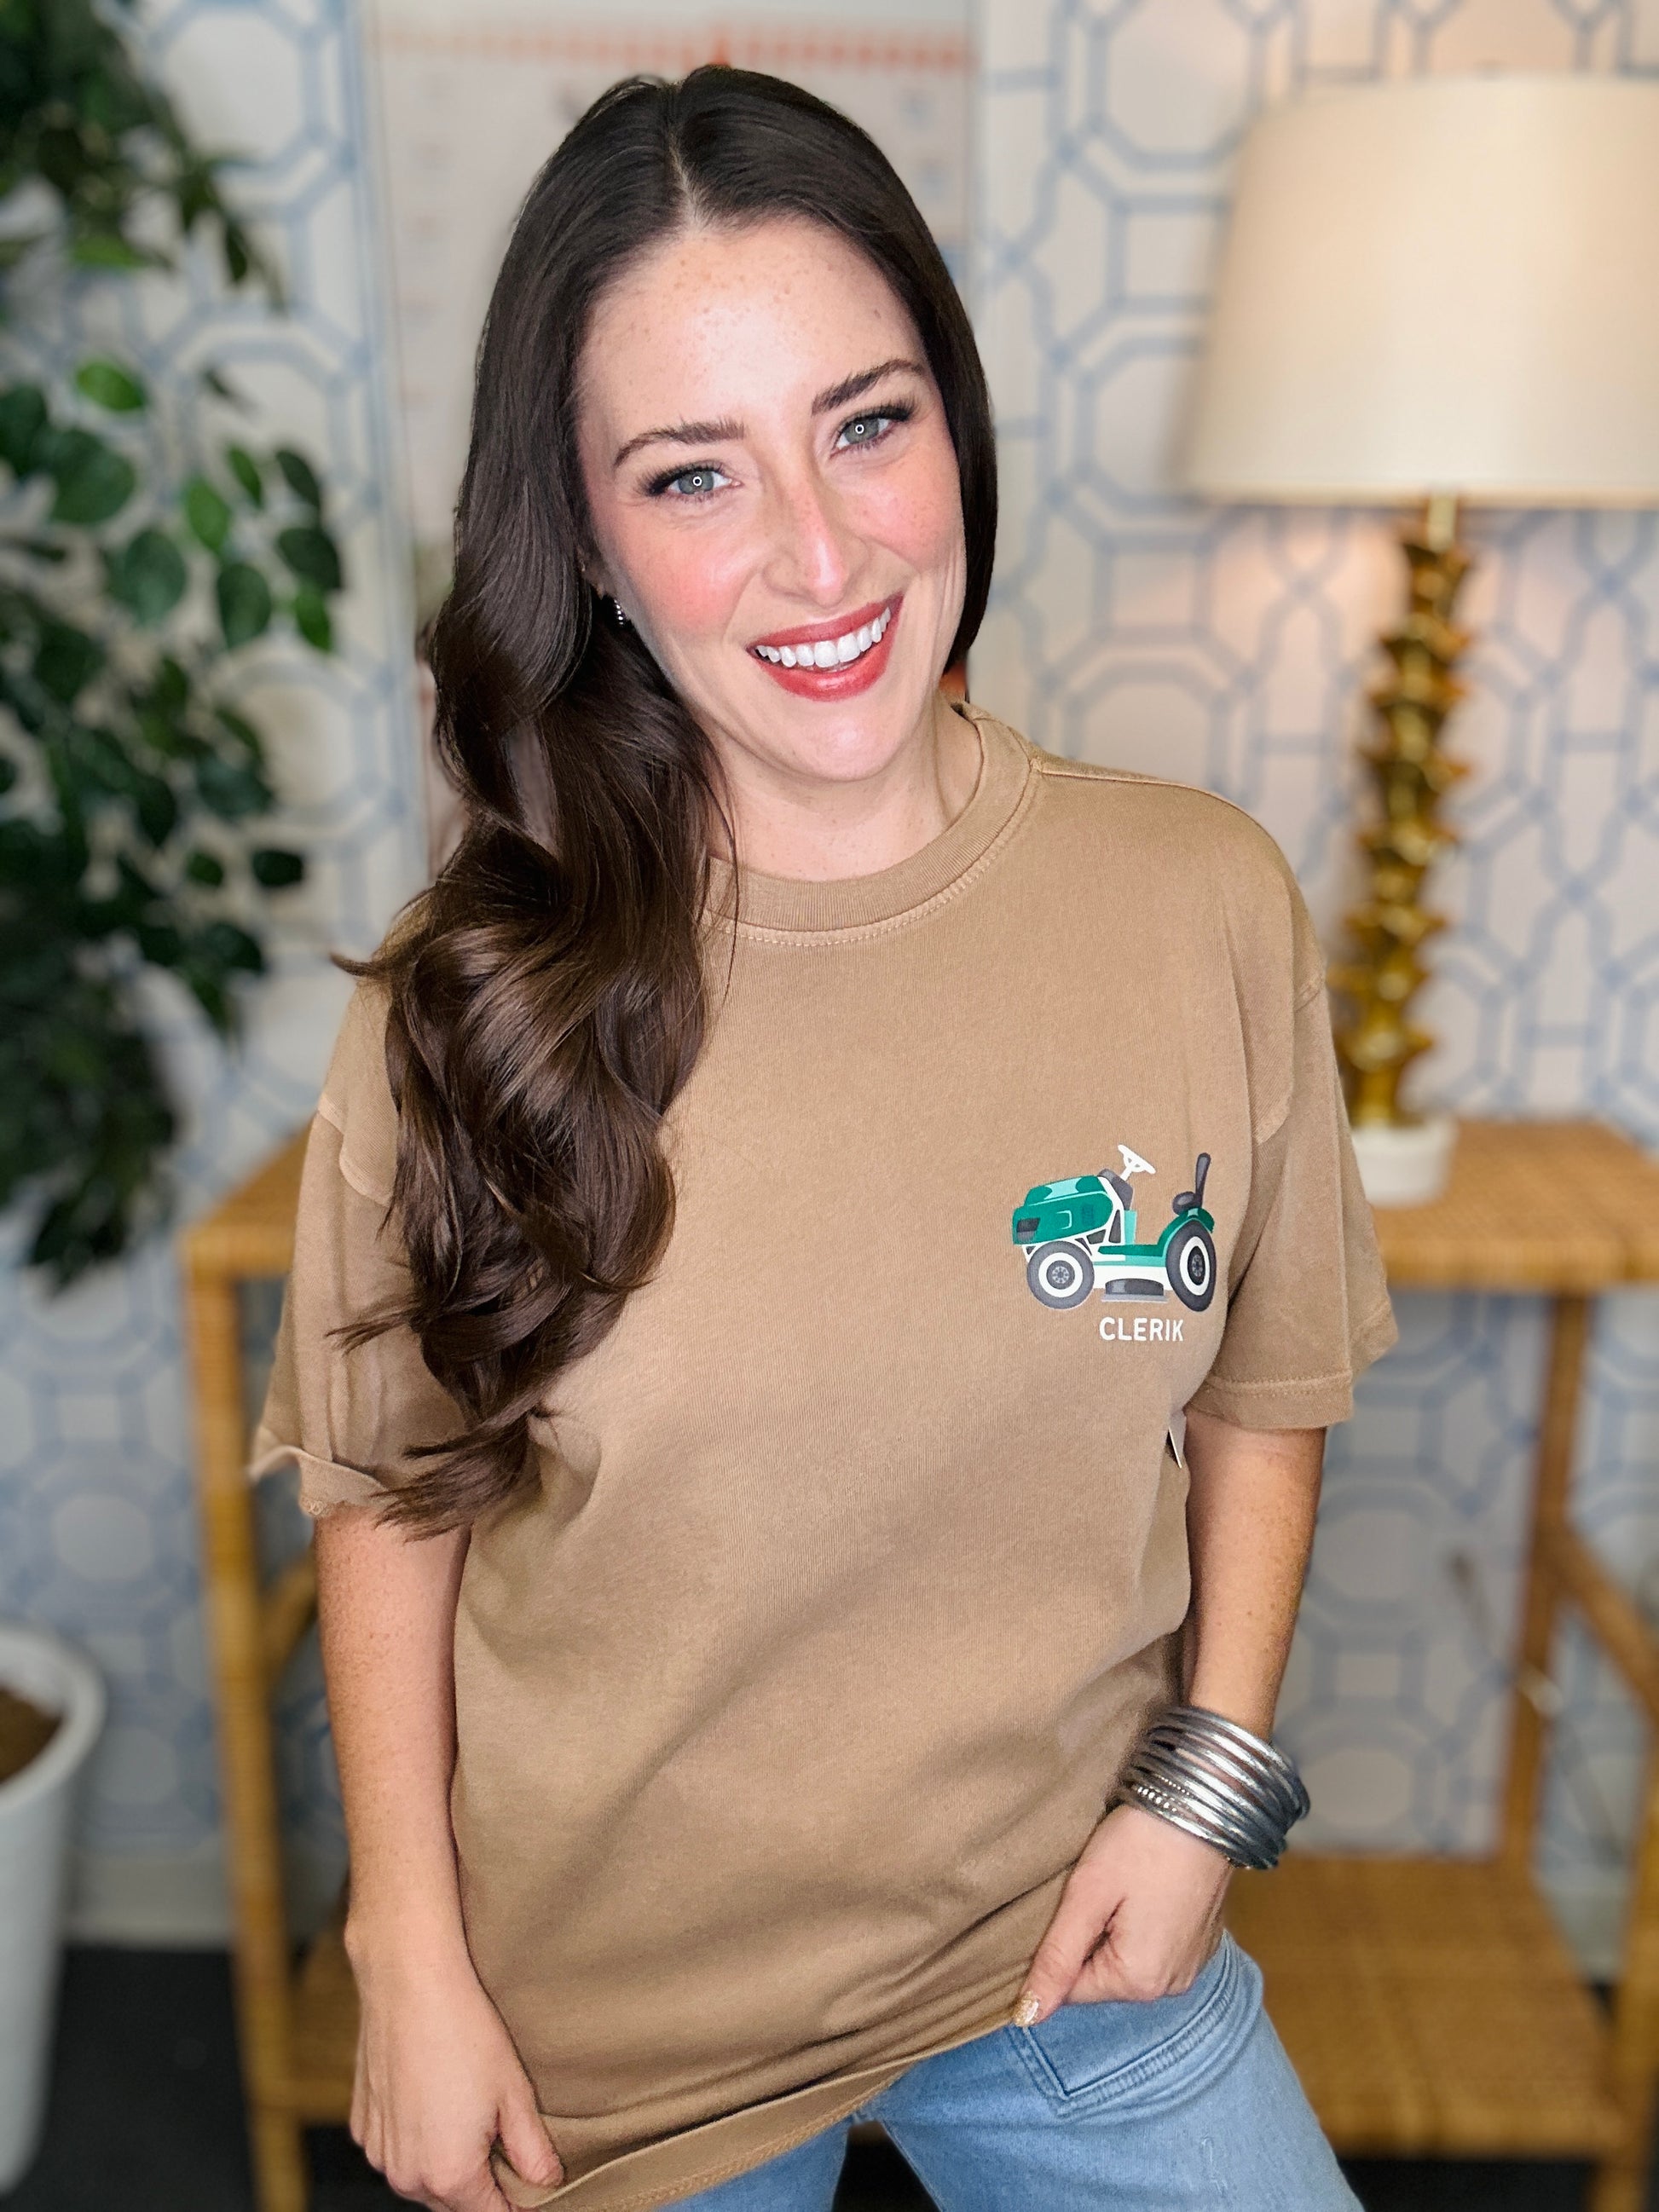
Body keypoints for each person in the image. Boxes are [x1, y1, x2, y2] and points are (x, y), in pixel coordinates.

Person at [251, 65, 1396, 2212]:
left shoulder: (1200, 901)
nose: (819, 548)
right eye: (694, 473)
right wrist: (405, 1949)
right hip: (616, 2029)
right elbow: (389, 1494)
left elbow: (1265, 1381)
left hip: (1068, 1940)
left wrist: (1204, 1790)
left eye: (866, 422)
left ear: (955, 421)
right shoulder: (469, 1002)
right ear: (591, 546)